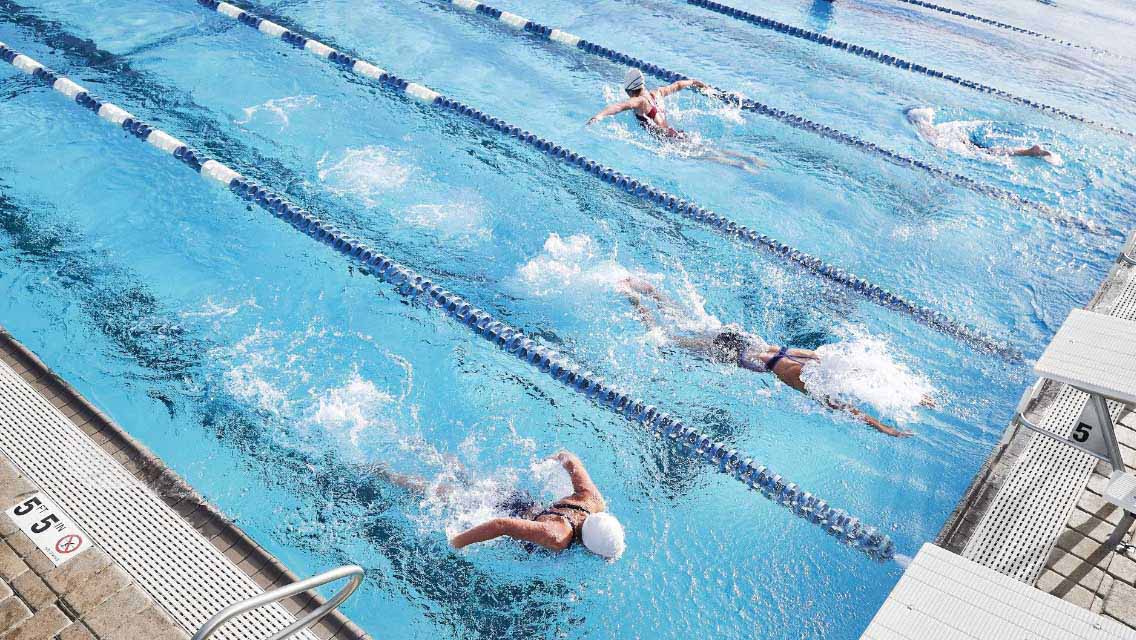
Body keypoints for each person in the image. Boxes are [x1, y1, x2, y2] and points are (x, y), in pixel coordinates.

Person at [620, 276, 915, 438]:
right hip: (734, 353)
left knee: (687, 320)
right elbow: (846, 409)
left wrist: (905, 390)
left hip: (744, 339)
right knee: (670, 340)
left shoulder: (816, 360)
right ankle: (634, 300)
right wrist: (883, 428)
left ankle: (650, 289)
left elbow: (858, 371)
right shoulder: (804, 381)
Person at [369, 451, 626, 559]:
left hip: (520, 499)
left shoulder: (593, 501)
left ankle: (433, 453)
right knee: (442, 495)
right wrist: (457, 542)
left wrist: (547, 461)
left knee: (470, 481)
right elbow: (500, 524)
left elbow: (567, 457)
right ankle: (389, 475)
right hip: (504, 512)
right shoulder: (557, 536)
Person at [586, 68, 766, 173]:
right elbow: (678, 84)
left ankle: (740, 164)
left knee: (707, 156)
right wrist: (696, 82)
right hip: (676, 132)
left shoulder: (639, 101)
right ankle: (748, 157)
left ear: (629, 90)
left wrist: (599, 116)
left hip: (669, 140)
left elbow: (620, 107)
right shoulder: (656, 93)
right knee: (708, 149)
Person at [906, 107, 1054, 159]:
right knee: (988, 151)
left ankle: (1028, 152)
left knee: (988, 153)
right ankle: (1028, 151)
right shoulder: (932, 129)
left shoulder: (926, 131)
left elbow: (938, 145)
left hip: (959, 143)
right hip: (961, 140)